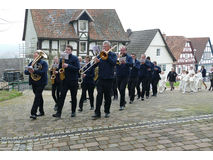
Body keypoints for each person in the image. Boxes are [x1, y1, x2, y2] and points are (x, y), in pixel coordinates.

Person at [52, 45, 80, 118]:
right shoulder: (62, 59)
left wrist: (68, 66)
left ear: (71, 51)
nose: (66, 51)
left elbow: (77, 68)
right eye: (66, 50)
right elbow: (60, 68)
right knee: (62, 97)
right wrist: (57, 71)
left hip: (73, 80)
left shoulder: (75, 58)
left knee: (73, 97)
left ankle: (73, 111)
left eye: (68, 50)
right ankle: (58, 113)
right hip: (64, 80)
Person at [92, 41, 117, 119]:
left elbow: (113, 63)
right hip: (101, 78)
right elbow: (94, 66)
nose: (104, 48)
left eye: (105, 46)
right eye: (103, 46)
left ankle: (107, 111)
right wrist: (96, 62)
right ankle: (97, 113)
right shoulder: (100, 55)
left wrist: (106, 57)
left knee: (107, 96)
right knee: (99, 95)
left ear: (109, 47)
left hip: (109, 78)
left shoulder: (113, 55)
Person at [24, 50, 48, 119]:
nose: (34, 55)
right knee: (39, 96)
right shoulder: (31, 63)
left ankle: (33, 113)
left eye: (36, 54)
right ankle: (42, 111)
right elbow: (26, 72)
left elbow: (43, 72)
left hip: (41, 82)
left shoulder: (44, 63)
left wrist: (34, 71)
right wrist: (29, 71)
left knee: (37, 97)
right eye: (34, 53)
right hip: (34, 82)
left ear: (39, 56)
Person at [116, 46, 133, 110]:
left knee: (122, 89)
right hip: (118, 74)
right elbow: (115, 64)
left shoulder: (129, 57)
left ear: (126, 51)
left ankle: (121, 105)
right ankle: (123, 101)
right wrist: (117, 60)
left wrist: (125, 62)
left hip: (126, 75)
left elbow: (131, 64)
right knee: (119, 88)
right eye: (121, 50)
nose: (122, 51)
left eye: (123, 50)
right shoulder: (118, 56)